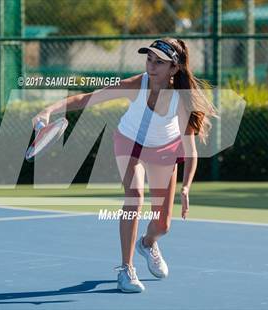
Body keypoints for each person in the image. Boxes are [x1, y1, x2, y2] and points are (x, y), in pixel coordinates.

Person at [33, 38, 217, 293]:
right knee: (134, 197)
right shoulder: (136, 85)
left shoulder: (182, 99)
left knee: (162, 225)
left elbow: (191, 150)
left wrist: (186, 188)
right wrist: (48, 110)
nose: (151, 67)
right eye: (149, 60)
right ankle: (126, 269)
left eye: (159, 63)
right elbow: (88, 99)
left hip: (164, 152)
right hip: (130, 143)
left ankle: (148, 243)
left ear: (174, 69)